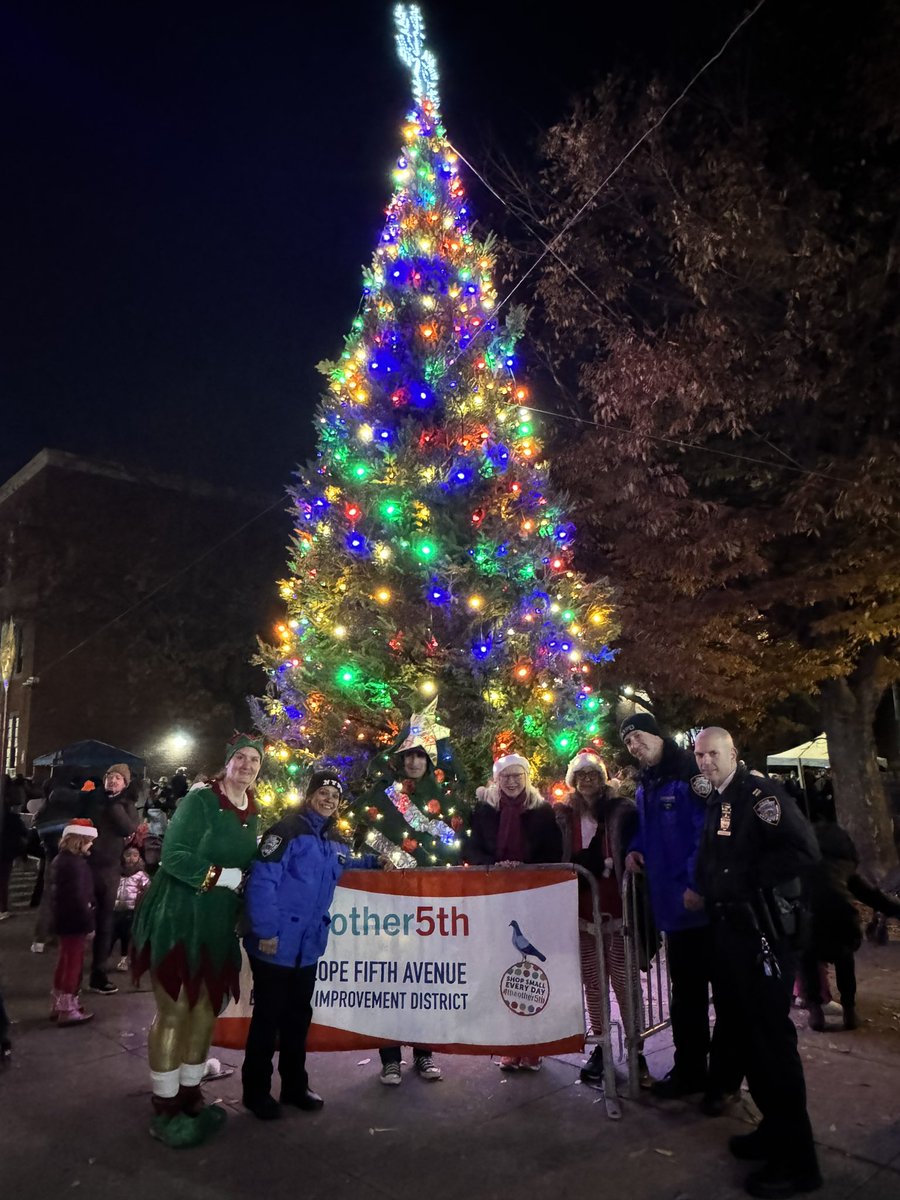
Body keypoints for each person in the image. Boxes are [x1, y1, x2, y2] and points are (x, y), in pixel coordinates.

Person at [693, 727, 822, 1199]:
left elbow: (803, 851)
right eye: (701, 755)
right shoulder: (719, 798)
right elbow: (713, 858)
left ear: (733, 753)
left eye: (714, 754)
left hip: (762, 936)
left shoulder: (759, 794)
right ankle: (773, 1130)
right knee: (747, 1040)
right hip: (731, 936)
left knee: (772, 1046)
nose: (706, 762)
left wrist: (743, 880)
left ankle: (798, 1161)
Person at [131, 734, 263, 1148]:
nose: (245, 764)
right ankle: (165, 1105)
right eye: (239, 757)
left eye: (253, 760)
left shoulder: (252, 809)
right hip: (179, 915)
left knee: (205, 1007)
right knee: (176, 1008)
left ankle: (190, 1093)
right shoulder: (201, 799)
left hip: (217, 922)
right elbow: (175, 855)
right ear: (226, 763)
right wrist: (223, 877)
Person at [241, 769, 385, 1119]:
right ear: (310, 796)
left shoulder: (333, 840)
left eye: (334, 797)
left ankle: (294, 1086)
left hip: (307, 948)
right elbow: (262, 882)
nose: (328, 800)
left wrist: (373, 862)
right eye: (323, 793)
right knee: (267, 1020)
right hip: (276, 944)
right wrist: (267, 932)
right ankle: (255, 1092)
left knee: (297, 1019)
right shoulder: (287, 831)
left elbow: (342, 866)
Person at [621, 712, 735, 1109]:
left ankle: (723, 1080)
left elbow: (705, 834)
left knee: (724, 996)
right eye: (628, 743)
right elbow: (648, 827)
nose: (634, 746)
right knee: (685, 996)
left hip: (702, 906)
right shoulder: (647, 782)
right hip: (673, 909)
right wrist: (635, 846)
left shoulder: (689, 776)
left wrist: (696, 883)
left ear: (656, 735)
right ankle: (690, 1070)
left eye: (637, 737)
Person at [355, 699, 466, 1085]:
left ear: (430, 761)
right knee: (389, 977)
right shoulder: (384, 796)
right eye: (409, 756)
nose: (415, 762)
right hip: (388, 900)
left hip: (428, 900)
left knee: (424, 977)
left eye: (422, 756)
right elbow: (363, 833)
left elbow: (453, 842)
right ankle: (389, 1057)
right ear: (400, 758)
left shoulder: (445, 800)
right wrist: (385, 855)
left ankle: (424, 1053)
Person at [464, 752, 563, 1071]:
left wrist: (527, 868)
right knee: (500, 970)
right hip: (496, 896)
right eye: (505, 776)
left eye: (517, 775)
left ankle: (534, 1046)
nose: (511, 781)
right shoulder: (484, 810)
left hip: (533, 896)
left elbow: (554, 850)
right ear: (497, 779)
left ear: (526, 777)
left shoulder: (542, 810)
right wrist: (493, 866)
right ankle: (509, 1044)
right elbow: (472, 847)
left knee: (532, 973)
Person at [555, 749, 639, 1085]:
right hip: (580, 908)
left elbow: (637, 843)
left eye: (593, 774)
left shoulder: (622, 810)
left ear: (603, 778)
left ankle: (636, 1045)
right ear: (573, 781)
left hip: (616, 905)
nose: (587, 781)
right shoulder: (562, 816)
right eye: (581, 776)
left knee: (623, 978)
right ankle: (602, 1044)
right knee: (592, 979)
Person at [802, 796, 900, 1033]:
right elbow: (872, 895)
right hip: (842, 919)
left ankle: (815, 1010)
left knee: (806, 959)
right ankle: (849, 1010)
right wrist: (896, 910)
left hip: (809, 920)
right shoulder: (844, 866)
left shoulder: (799, 864)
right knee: (845, 960)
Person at [81, 764, 140, 995]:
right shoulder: (91, 799)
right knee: (80, 920)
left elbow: (127, 828)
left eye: (118, 778)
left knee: (105, 923)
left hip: (109, 870)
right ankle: (71, 979)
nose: (112, 781)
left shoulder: (126, 805)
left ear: (125, 784)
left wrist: (113, 804)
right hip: (84, 866)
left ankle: (98, 973)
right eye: (109, 776)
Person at [49, 818, 98, 1026]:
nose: (92, 845)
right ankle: (68, 1006)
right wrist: (89, 923)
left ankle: (59, 1002)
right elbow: (80, 897)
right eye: (89, 841)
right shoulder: (76, 865)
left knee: (64, 960)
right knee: (73, 963)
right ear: (80, 841)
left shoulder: (61, 860)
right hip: (75, 921)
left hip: (62, 918)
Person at [112, 846, 151, 972]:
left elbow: (148, 891)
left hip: (131, 910)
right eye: (128, 855)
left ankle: (124, 959)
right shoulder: (116, 872)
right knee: (111, 934)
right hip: (115, 909)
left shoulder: (141, 875)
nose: (131, 858)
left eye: (135, 855)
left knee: (126, 935)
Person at [0, 795, 29, 919]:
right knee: (3, 880)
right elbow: (24, 833)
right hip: (6, 853)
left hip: (5, 851)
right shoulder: (12, 819)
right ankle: (2, 909)